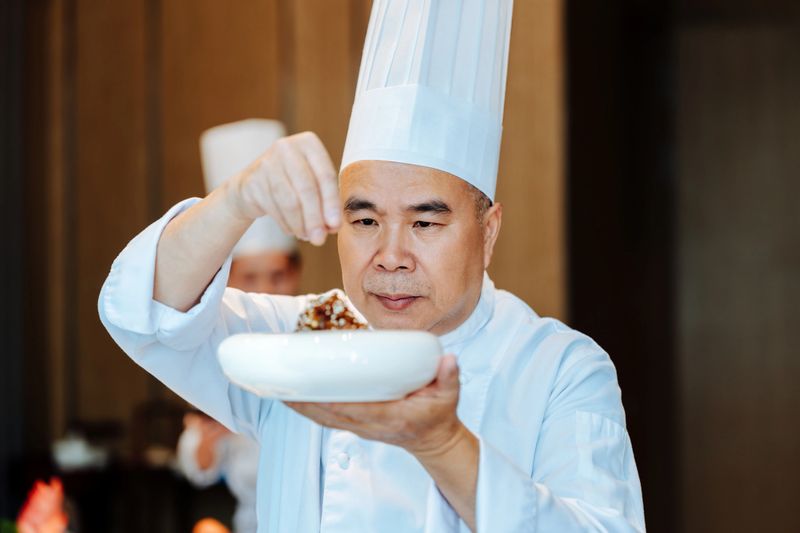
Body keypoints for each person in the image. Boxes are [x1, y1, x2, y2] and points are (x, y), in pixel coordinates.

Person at [99, 1, 646, 531]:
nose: (389, 256)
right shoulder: (305, 342)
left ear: (489, 230)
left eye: (425, 223)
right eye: (364, 222)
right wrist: (236, 200)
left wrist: (442, 444)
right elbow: (143, 313)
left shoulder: (557, 369)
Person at [176, 119, 301, 533]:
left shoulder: (323, 329)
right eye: (250, 278)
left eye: (278, 275)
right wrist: (208, 443)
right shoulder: (219, 343)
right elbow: (197, 461)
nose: (265, 290)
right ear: (226, 280)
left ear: (296, 273)